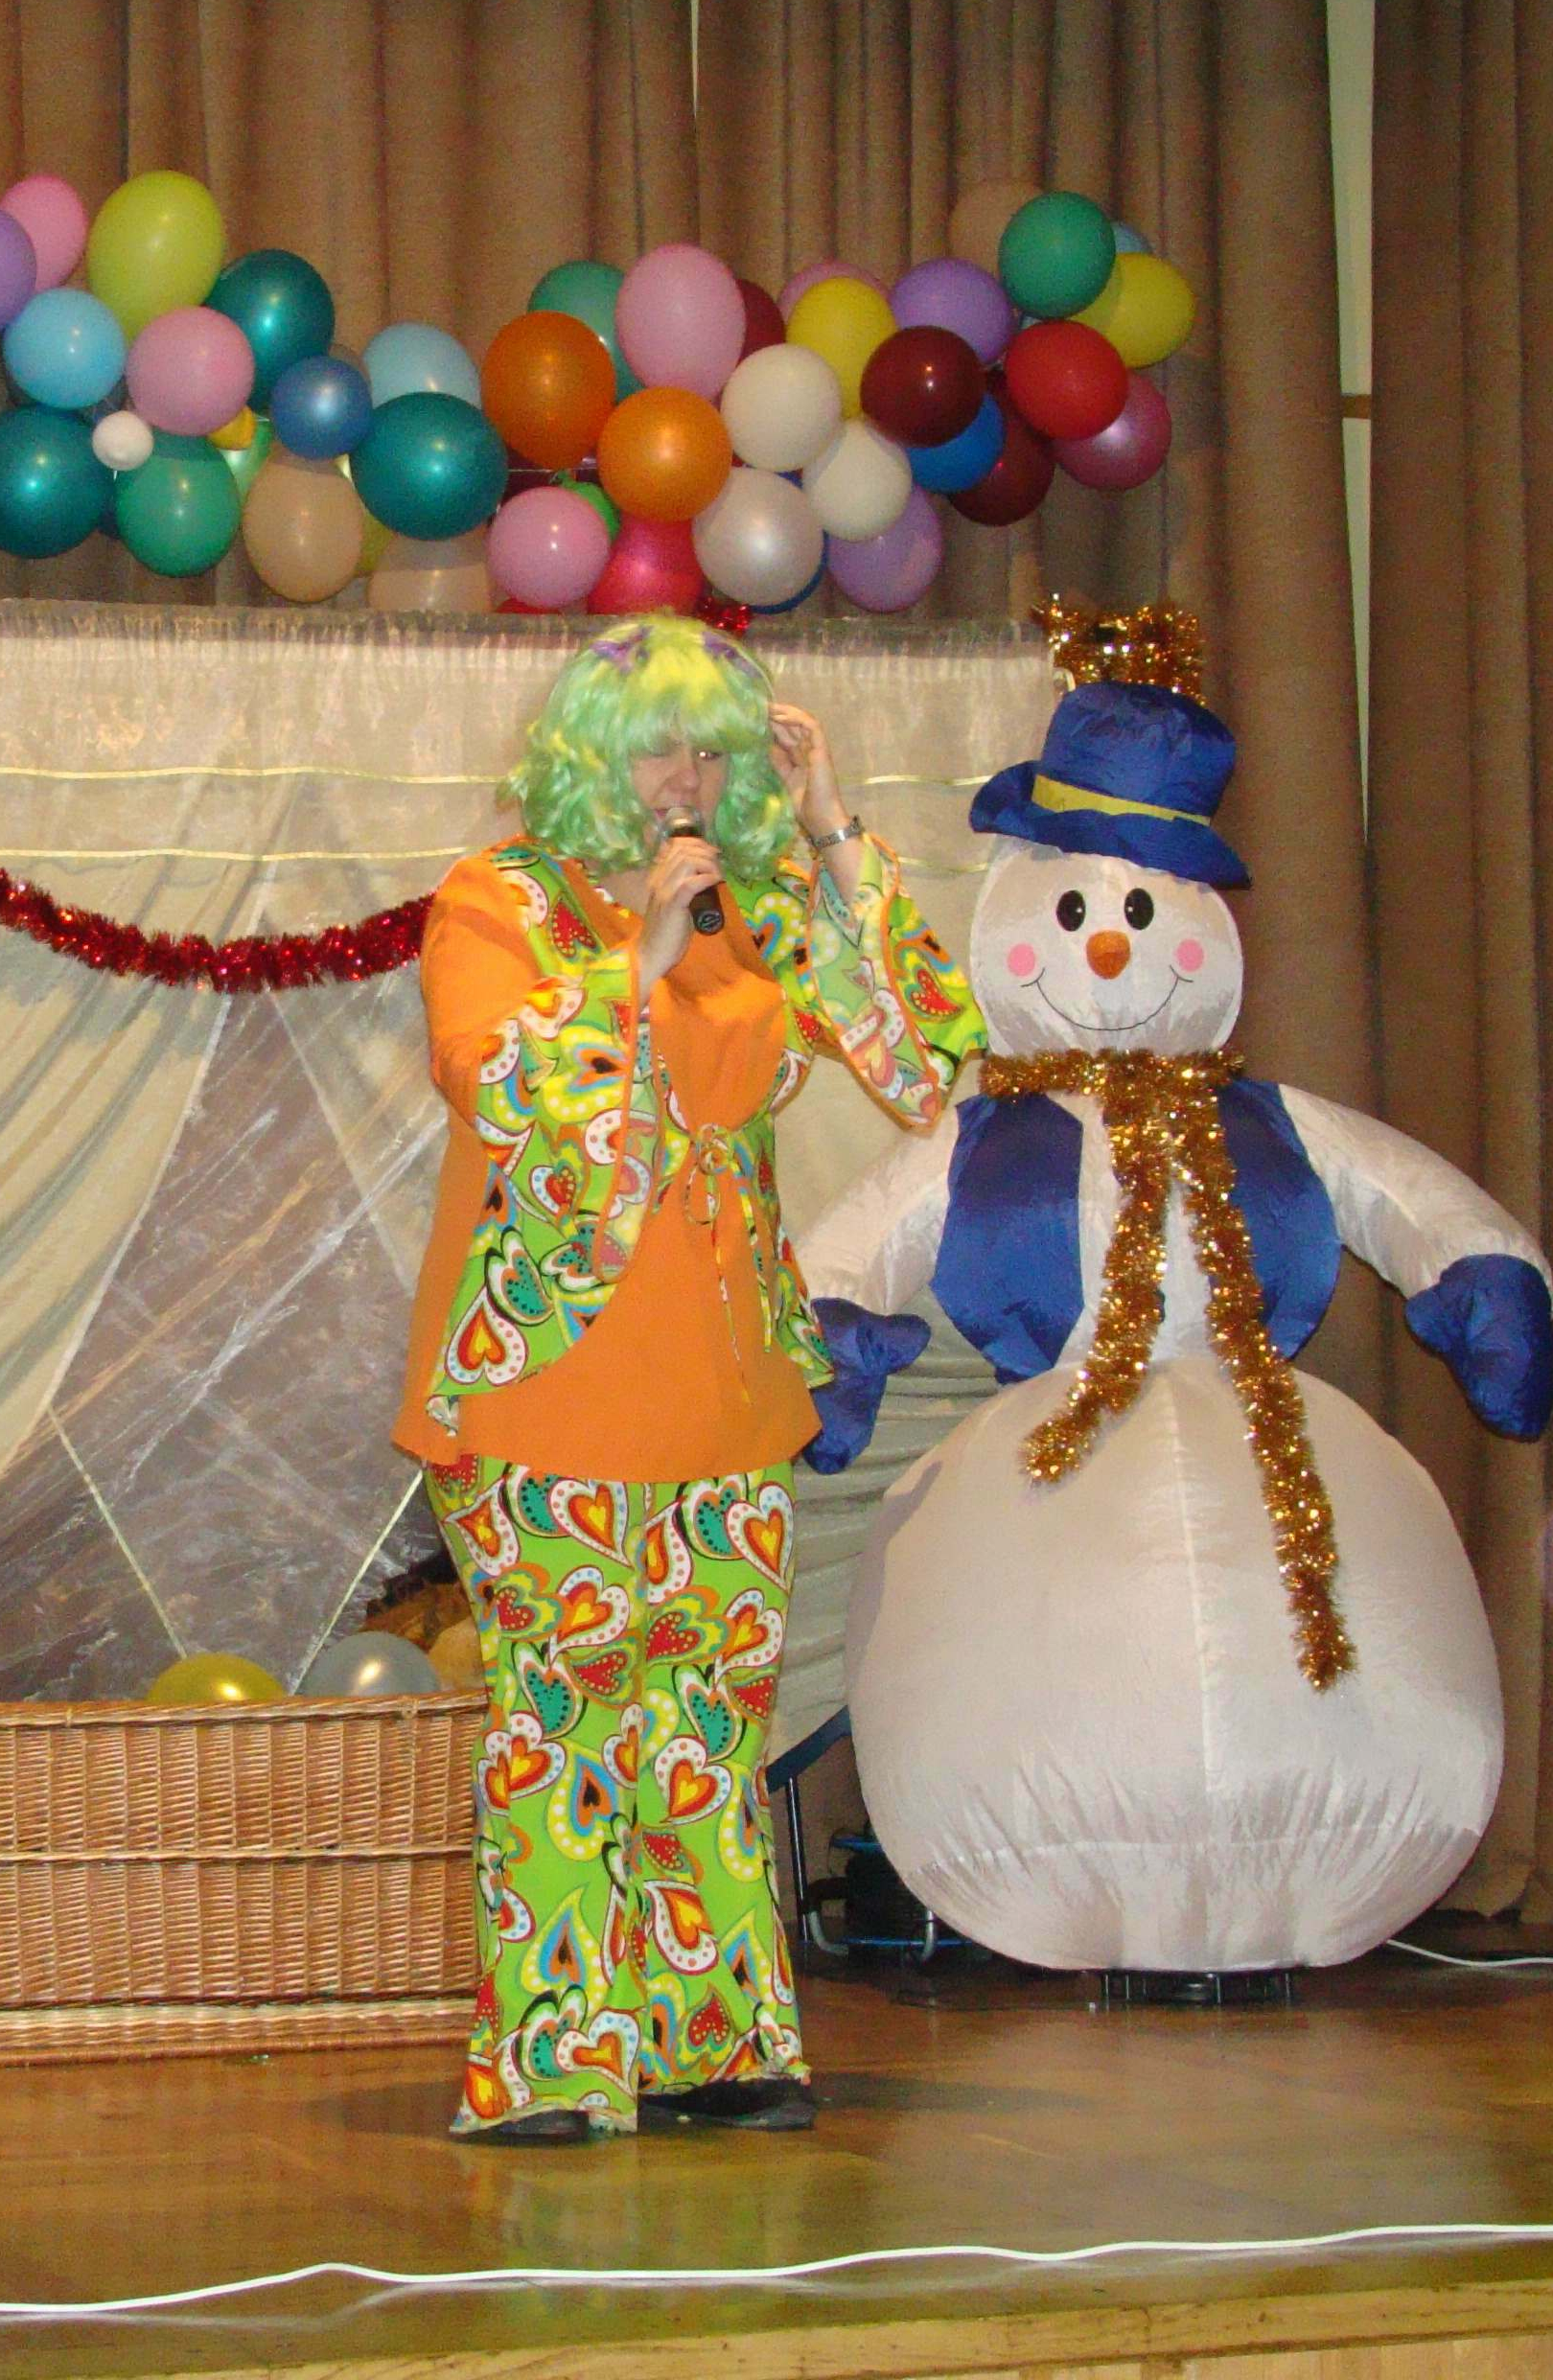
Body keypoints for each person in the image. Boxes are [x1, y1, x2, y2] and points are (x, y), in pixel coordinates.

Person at [394, 614, 978, 2143]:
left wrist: (835, 833)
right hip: (552, 1381)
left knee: (708, 1726)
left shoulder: (756, 905)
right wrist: (633, 962)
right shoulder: (499, 897)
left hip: (727, 1383)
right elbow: (493, 1084)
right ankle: (551, 2065)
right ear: (589, 757)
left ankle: (716, 2046)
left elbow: (925, 1064)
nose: (689, 778)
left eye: (717, 751)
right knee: (568, 1722)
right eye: (660, 746)